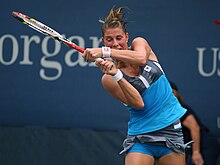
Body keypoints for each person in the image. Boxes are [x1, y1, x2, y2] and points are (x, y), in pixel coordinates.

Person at [82, 7, 188, 165]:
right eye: (109, 40)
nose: (115, 43)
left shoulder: (140, 43)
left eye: (119, 38)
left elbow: (140, 59)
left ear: (127, 37)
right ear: (104, 41)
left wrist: (104, 52)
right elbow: (138, 103)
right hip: (141, 137)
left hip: (171, 130)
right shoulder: (108, 79)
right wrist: (116, 74)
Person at [169, 81, 220, 165]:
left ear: (177, 94)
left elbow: (195, 128)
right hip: (190, 147)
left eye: (172, 92)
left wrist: (196, 152)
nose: (170, 95)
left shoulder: (179, 108)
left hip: (204, 145)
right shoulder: (167, 111)